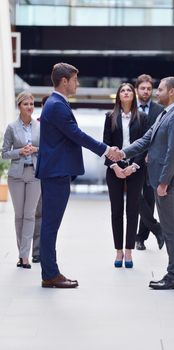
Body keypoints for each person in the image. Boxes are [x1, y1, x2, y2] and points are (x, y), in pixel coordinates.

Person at [36, 62, 117, 288]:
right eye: (75, 80)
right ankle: (50, 274)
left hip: (56, 171)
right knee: (51, 225)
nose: (78, 84)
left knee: (50, 224)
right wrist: (106, 149)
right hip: (56, 172)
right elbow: (76, 135)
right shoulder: (57, 105)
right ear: (64, 81)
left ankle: (50, 272)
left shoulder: (55, 104)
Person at [109, 77, 174, 290]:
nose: (156, 92)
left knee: (171, 229)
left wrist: (163, 182)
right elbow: (146, 140)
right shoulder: (164, 114)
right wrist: (123, 152)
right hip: (160, 181)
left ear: (171, 92)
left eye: (160, 89)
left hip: (167, 183)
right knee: (170, 228)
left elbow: (173, 153)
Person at [103, 83, 148, 268]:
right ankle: (118, 251)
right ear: (119, 96)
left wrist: (134, 166)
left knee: (132, 211)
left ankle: (129, 251)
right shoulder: (110, 117)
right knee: (116, 211)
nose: (126, 92)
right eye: (123, 90)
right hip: (114, 169)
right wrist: (114, 166)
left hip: (136, 168)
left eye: (129, 90)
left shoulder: (142, 117)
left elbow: (145, 143)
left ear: (133, 95)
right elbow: (105, 144)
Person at [2, 91, 41, 269]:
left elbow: (46, 149)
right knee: (19, 216)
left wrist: (34, 149)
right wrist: (20, 152)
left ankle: (25, 256)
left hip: (34, 175)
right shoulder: (11, 127)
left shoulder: (39, 127)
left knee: (30, 215)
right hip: (16, 176)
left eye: (32, 104)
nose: (30, 107)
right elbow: (4, 153)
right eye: (26, 104)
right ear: (19, 106)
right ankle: (22, 254)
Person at [135, 74, 164, 251]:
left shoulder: (159, 109)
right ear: (137, 89)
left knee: (149, 198)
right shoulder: (130, 108)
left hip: (151, 161)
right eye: (143, 88)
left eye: (148, 88)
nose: (146, 91)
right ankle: (156, 227)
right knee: (135, 197)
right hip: (132, 160)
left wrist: (152, 154)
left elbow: (160, 135)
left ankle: (140, 238)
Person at [32, 95, 49, 264]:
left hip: (51, 175)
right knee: (38, 213)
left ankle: (46, 251)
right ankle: (36, 252)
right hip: (36, 174)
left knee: (48, 216)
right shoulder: (35, 125)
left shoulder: (58, 125)